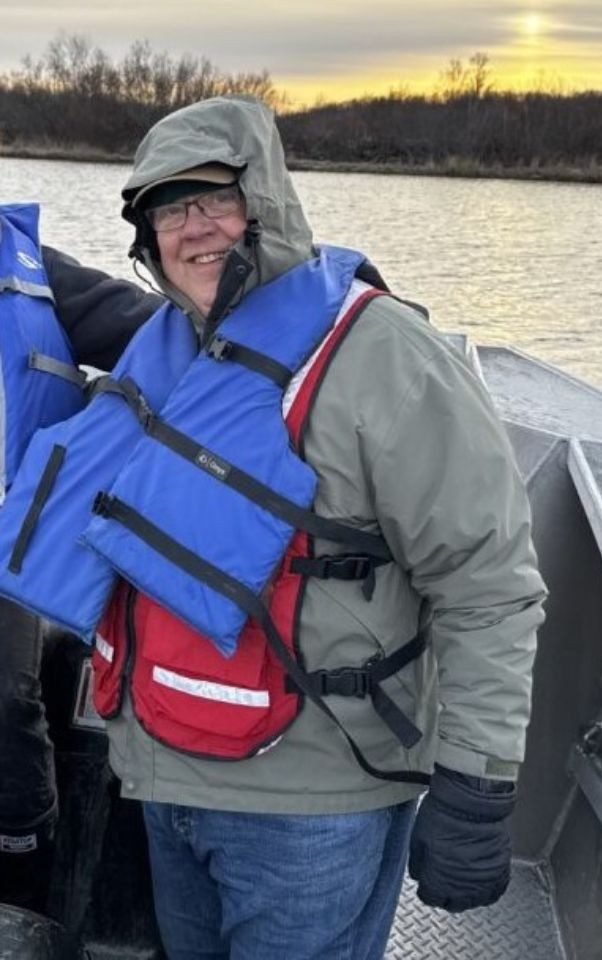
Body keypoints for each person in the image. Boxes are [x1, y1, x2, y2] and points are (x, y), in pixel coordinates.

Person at [0, 95, 546, 959]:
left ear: (267, 200)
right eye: (168, 212)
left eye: (214, 197)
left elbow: (488, 582)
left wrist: (477, 782)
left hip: (312, 805)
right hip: (166, 774)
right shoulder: (170, 343)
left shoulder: (386, 357)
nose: (194, 228)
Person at [0, 212, 160, 913]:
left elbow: (164, 328)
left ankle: (22, 878)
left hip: (5, 551)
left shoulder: (34, 277)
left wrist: (343, 324)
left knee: (6, 704)